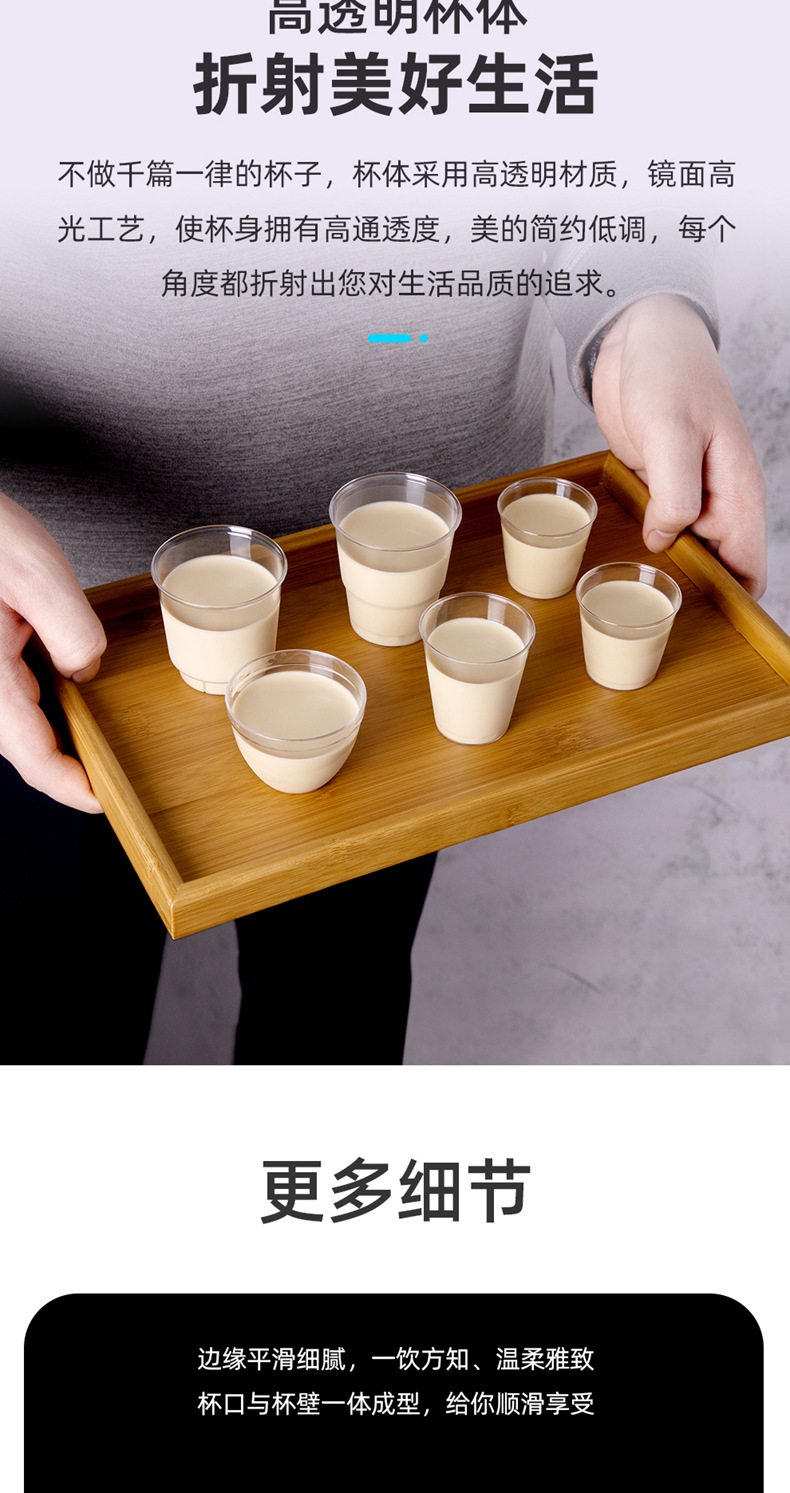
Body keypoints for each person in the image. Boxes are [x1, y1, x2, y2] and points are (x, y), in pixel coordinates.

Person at [0, 261, 767, 1061]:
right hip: (44, 616)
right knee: (50, 1023)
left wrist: (646, 305)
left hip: (441, 572)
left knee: (331, 1018)